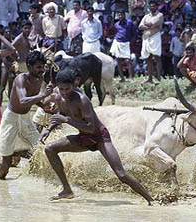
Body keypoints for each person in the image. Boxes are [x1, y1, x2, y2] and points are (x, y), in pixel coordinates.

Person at [40, 69, 154, 204]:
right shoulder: (58, 96)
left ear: (74, 85)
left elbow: (90, 127)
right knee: (50, 149)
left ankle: (151, 200)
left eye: (68, 89)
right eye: (62, 89)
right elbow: (61, 115)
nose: (65, 92)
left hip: (100, 137)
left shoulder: (83, 100)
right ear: (57, 87)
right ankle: (67, 190)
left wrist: (66, 121)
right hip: (83, 137)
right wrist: (48, 129)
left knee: (121, 175)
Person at [0, 51, 54, 180]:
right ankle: (0, 185)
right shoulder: (21, 79)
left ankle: (30, 176)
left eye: (43, 66)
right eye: (38, 67)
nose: (42, 70)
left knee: (40, 149)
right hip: (11, 118)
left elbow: (34, 97)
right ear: (29, 66)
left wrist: (43, 105)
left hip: (25, 118)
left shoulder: (40, 78)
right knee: (6, 162)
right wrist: (43, 95)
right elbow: (23, 100)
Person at [139, 0, 164, 83]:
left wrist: (146, 25)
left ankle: (158, 78)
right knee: (148, 58)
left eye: (154, 6)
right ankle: (149, 78)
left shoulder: (160, 15)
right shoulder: (146, 16)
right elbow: (140, 26)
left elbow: (154, 23)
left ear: (156, 7)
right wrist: (148, 26)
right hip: (146, 38)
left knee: (157, 58)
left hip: (155, 37)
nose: (152, 7)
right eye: (151, 6)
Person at [110, 11, 137, 82]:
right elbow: (115, 33)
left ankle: (131, 78)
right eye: (119, 15)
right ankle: (122, 78)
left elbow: (134, 34)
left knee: (128, 61)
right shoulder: (116, 24)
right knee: (118, 60)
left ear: (124, 15)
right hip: (118, 42)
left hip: (126, 43)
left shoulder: (130, 23)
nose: (120, 16)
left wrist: (131, 42)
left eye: (121, 15)